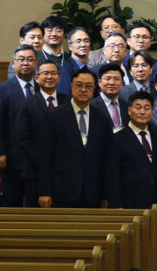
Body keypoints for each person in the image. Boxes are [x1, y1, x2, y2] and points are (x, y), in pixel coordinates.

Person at [38, 68, 112, 208]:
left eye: (88, 86)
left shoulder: (102, 119)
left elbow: (107, 160)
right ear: (71, 86)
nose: (83, 89)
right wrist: (44, 191)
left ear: (94, 89)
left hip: (93, 193)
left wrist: (106, 194)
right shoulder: (54, 116)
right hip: (62, 191)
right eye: (79, 85)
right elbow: (45, 157)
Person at [15, 60, 69, 207]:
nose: (49, 77)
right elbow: (23, 138)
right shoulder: (27, 103)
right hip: (35, 170)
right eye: (45, 73)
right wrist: (42, 161)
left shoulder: (68, 102)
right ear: (37, 78)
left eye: (53, 73)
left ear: (59, 78)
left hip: (64, 171)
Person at [0, 44, 38, 207]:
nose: (25, 63)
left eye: (30, 59)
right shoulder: (2, 90)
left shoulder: (43, 88)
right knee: (12, 201)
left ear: (36, 63)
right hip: (12, 156)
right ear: (13, 63)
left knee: (35, 203)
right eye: (21, 59)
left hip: (37, 157)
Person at [105, 90, 157, 209]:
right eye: (138, 108)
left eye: (147, 108)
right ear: (129, 110)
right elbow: (113, 176)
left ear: (152, 111)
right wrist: (117, 205)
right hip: (129, 204)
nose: (142, 112)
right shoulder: (117, 139)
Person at [91, 63, 129, 132]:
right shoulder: (90, 106)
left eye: (116, 79)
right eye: (107, 79)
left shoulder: (128, 107)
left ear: (122, 83)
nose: (112, 82)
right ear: (99, 82)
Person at [57, 27, 91, 95]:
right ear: (70, 47)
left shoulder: (89, 69)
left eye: (86, 41)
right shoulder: (65, 71)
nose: (83, 44)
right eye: (78, 41)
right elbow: (64, 97)